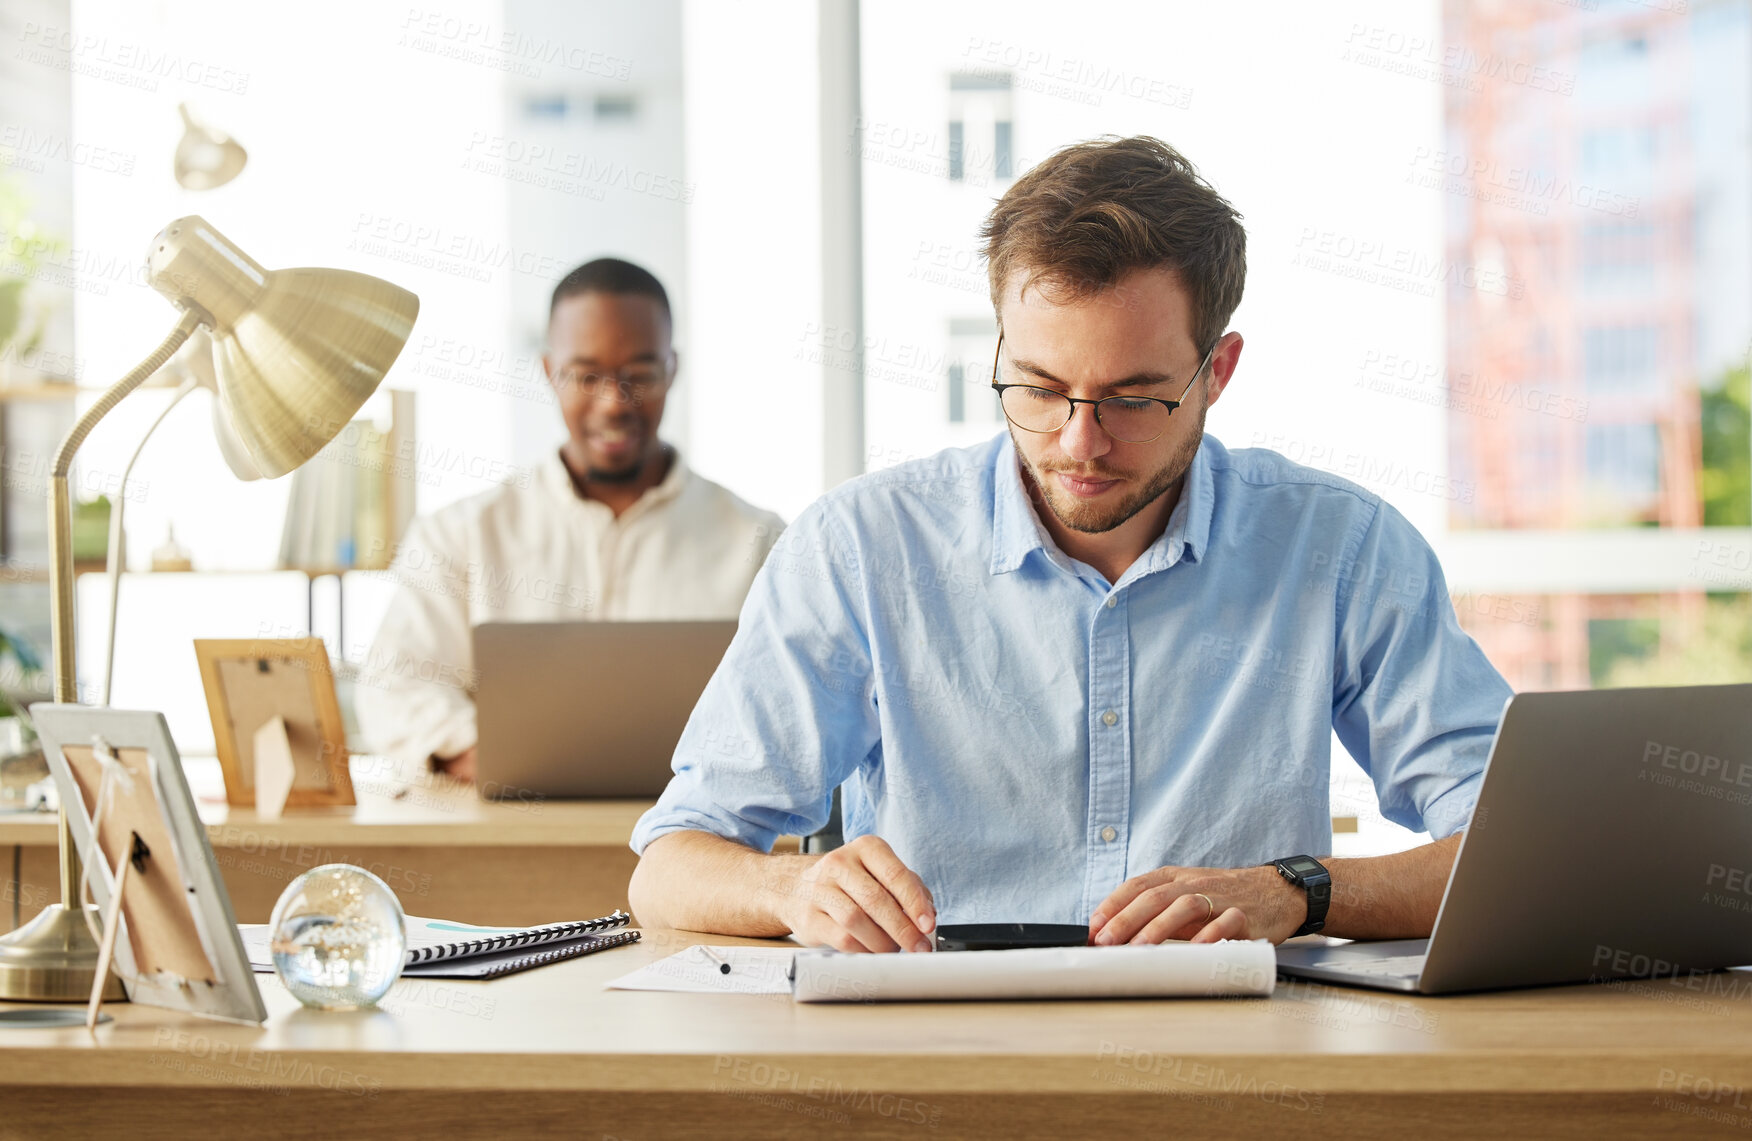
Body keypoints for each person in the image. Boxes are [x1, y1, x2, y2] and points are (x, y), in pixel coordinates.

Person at [627, 136, 1514, 952]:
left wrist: (1301, 891)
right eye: (1041, 388)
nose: (1078, 442)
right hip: (935, 1062)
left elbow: (1516, 848)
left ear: (1219, 372)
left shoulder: (1340, 548)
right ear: (1001, 345)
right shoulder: (860, 547)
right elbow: (668, 867)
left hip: (1238, 1077)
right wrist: (792, 886)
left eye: (1134, 399)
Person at [357, 259, 784, 783]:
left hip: (703, 844)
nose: (614, 403)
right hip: (514, 840)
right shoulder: (460, 534)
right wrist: (508, 757)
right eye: (586, 376)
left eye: (641, 375)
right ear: (548, 371)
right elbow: (392, 689)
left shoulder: (760, 542)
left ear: (672, 370)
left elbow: (794, 708)